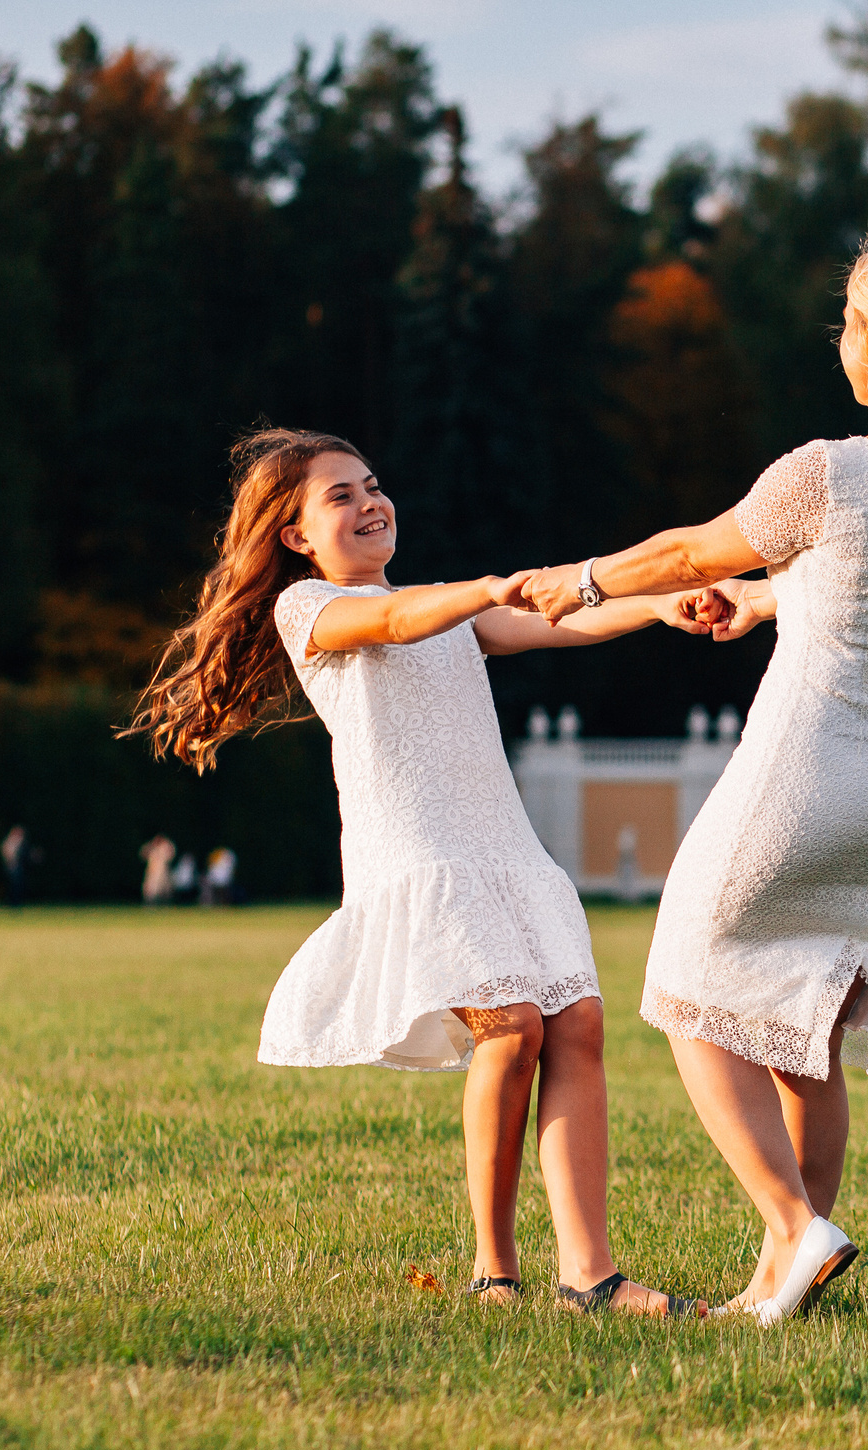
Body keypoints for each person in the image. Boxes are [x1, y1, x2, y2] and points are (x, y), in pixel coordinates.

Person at [522, 221, 868, 1325]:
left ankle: (791, 1224)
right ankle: (780, 1277)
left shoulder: (825, 474)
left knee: (686, 977)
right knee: (806, 1021)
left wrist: (581, 581)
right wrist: (766, 600)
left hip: (806, 766)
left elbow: (691, 550)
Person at [127, 427, 737, 1317]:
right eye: (340, 495)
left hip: (505, 852)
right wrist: (482, 586)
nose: (371, 501)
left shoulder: (445, 610)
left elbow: (555, 616)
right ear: (295, 535)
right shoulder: (309, 611)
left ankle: (591, 1275)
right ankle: (495, 1271)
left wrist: (655, 606)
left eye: (373, 484)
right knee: (512, 1023)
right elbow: (391, 619)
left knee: (578, 1024)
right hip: (418, 859)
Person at [138, 835, 175, 905]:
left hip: (163, 872)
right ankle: (149, 905)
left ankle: (165, 905)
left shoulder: (165, 847)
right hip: (152, 872)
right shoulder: (151, 847)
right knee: (150, 890)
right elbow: (142, 854)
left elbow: (171, 855)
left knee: (165, 890)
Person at [2, 825, 30, 907]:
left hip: (17, 867)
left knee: (19, 885)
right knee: (13, 885)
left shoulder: (20, 841)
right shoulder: (10, 841)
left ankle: (17, 902)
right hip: (12, 867)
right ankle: (12, 902)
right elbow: (7, 853)